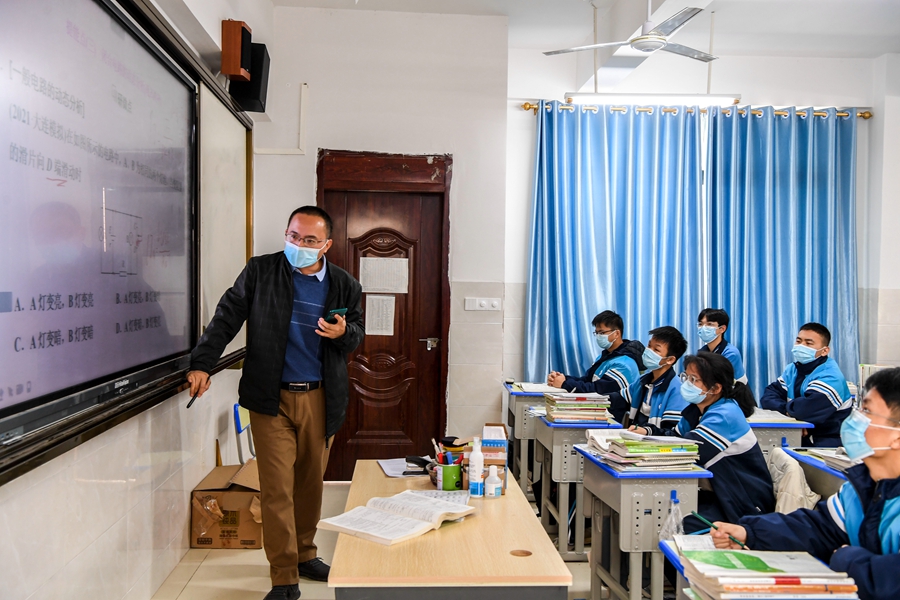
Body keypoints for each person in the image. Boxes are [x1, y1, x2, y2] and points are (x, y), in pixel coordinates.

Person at [187, 206, 364, 600]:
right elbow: (227, 316)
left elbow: (356, 333)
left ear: (326, 245)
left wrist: (343, 333)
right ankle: (284, 576)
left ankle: (305, 554)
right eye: (293, 236)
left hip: (321, 398)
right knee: (277, 488)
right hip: (270, 398)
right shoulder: (261, 271)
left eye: (309, 240)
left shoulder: (344, 284)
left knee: (309, 486)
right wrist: (202, 363)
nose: (299, 244)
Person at [711, 368, 900, 600]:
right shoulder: (862, 488)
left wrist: (846, 559)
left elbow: (889, 582)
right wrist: (749, 533)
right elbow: (819, 528)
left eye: (867, 411)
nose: (855, 419)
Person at [673, 353, 774, 531]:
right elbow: (674, 437)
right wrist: (647, 433)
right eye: (686, 377)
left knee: (679, 523)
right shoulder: (698, 409)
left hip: (742, 503)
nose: (687, 383)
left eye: (694, 379)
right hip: (719, 493)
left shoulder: (725, 415)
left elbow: (687, 450)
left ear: (715, 388)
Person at [760, 322, 851, 447]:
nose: (801, 346)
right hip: (799, 436)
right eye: (798, 341)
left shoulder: (831, 377)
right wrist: (794, 418)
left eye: (808, 343)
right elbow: (768, 397)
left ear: (824, 351)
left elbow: (804, 410)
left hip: (828, 442)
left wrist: (796, 416)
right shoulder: (793, 369)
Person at [546, 310, 645, 422]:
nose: (598, 336)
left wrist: (565, 384)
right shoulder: (605, 357)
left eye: (602, 333)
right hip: (598, 412)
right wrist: (562, 378)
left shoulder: (624, 364)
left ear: (617, 334)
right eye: (596, 333)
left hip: (612, 418)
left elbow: (598, 391)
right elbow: (587, 380)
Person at [625, 326, 688, 435]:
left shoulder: (677, 390)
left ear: (670, 359)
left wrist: (647, 431)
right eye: (649, 345)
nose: (649, 351)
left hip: (654, 444)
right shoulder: (644, 380)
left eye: (656, 350)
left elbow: (673, 434)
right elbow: (618, 399)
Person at [697, 308, 747, 384]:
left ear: (722, 329)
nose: (703, 328)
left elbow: (716, 380)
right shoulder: (703, 351)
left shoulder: (731, 353)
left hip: (733, 390)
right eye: (701, 324)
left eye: (709, 324)